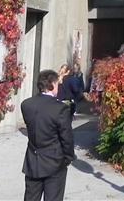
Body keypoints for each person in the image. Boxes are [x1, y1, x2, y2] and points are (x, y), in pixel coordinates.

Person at [21, 69, 75, 201]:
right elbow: (66, 137)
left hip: (33, 159)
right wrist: (68, 157)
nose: (58, 87)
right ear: (51, 85)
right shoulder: (60, 108)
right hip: (54, 161)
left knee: (31, 197)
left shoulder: (26, 104)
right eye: (57, 84)